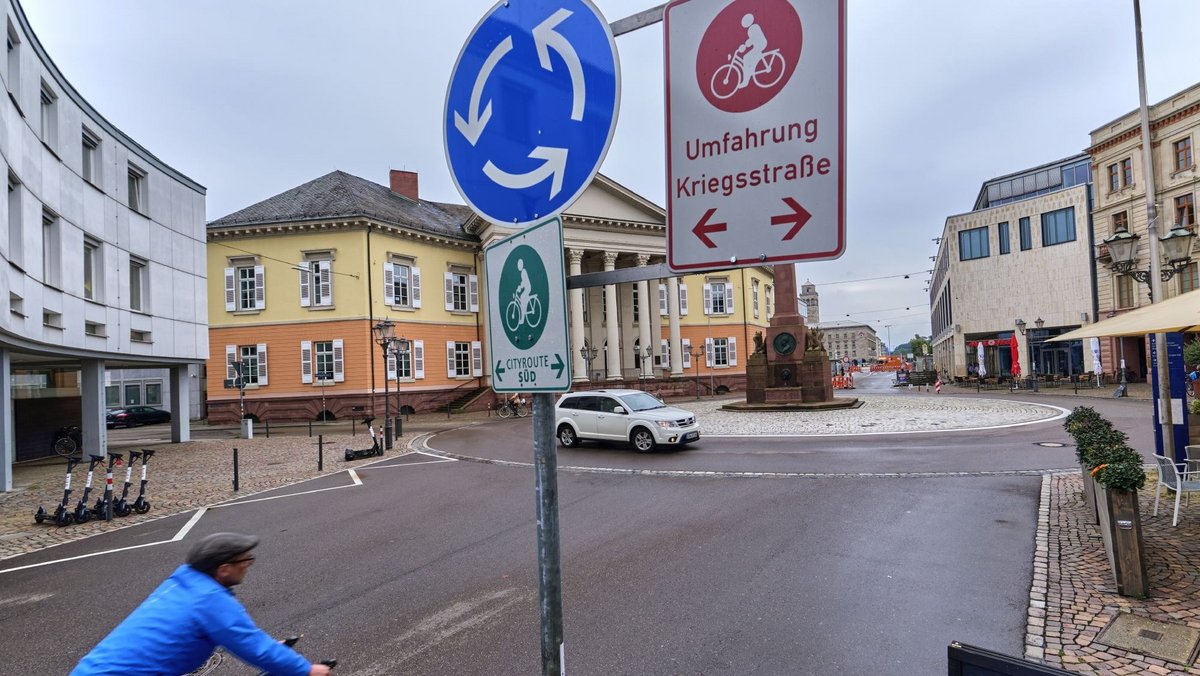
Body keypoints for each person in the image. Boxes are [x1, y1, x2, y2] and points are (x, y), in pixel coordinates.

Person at [72, 532, 331, 676]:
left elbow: (235, 637)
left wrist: (274, 651)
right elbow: (254, 648)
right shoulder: (209, 599)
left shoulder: (182, 582)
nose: (249, 565)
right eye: (246, 561)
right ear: (224, 569)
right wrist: (306, 670)